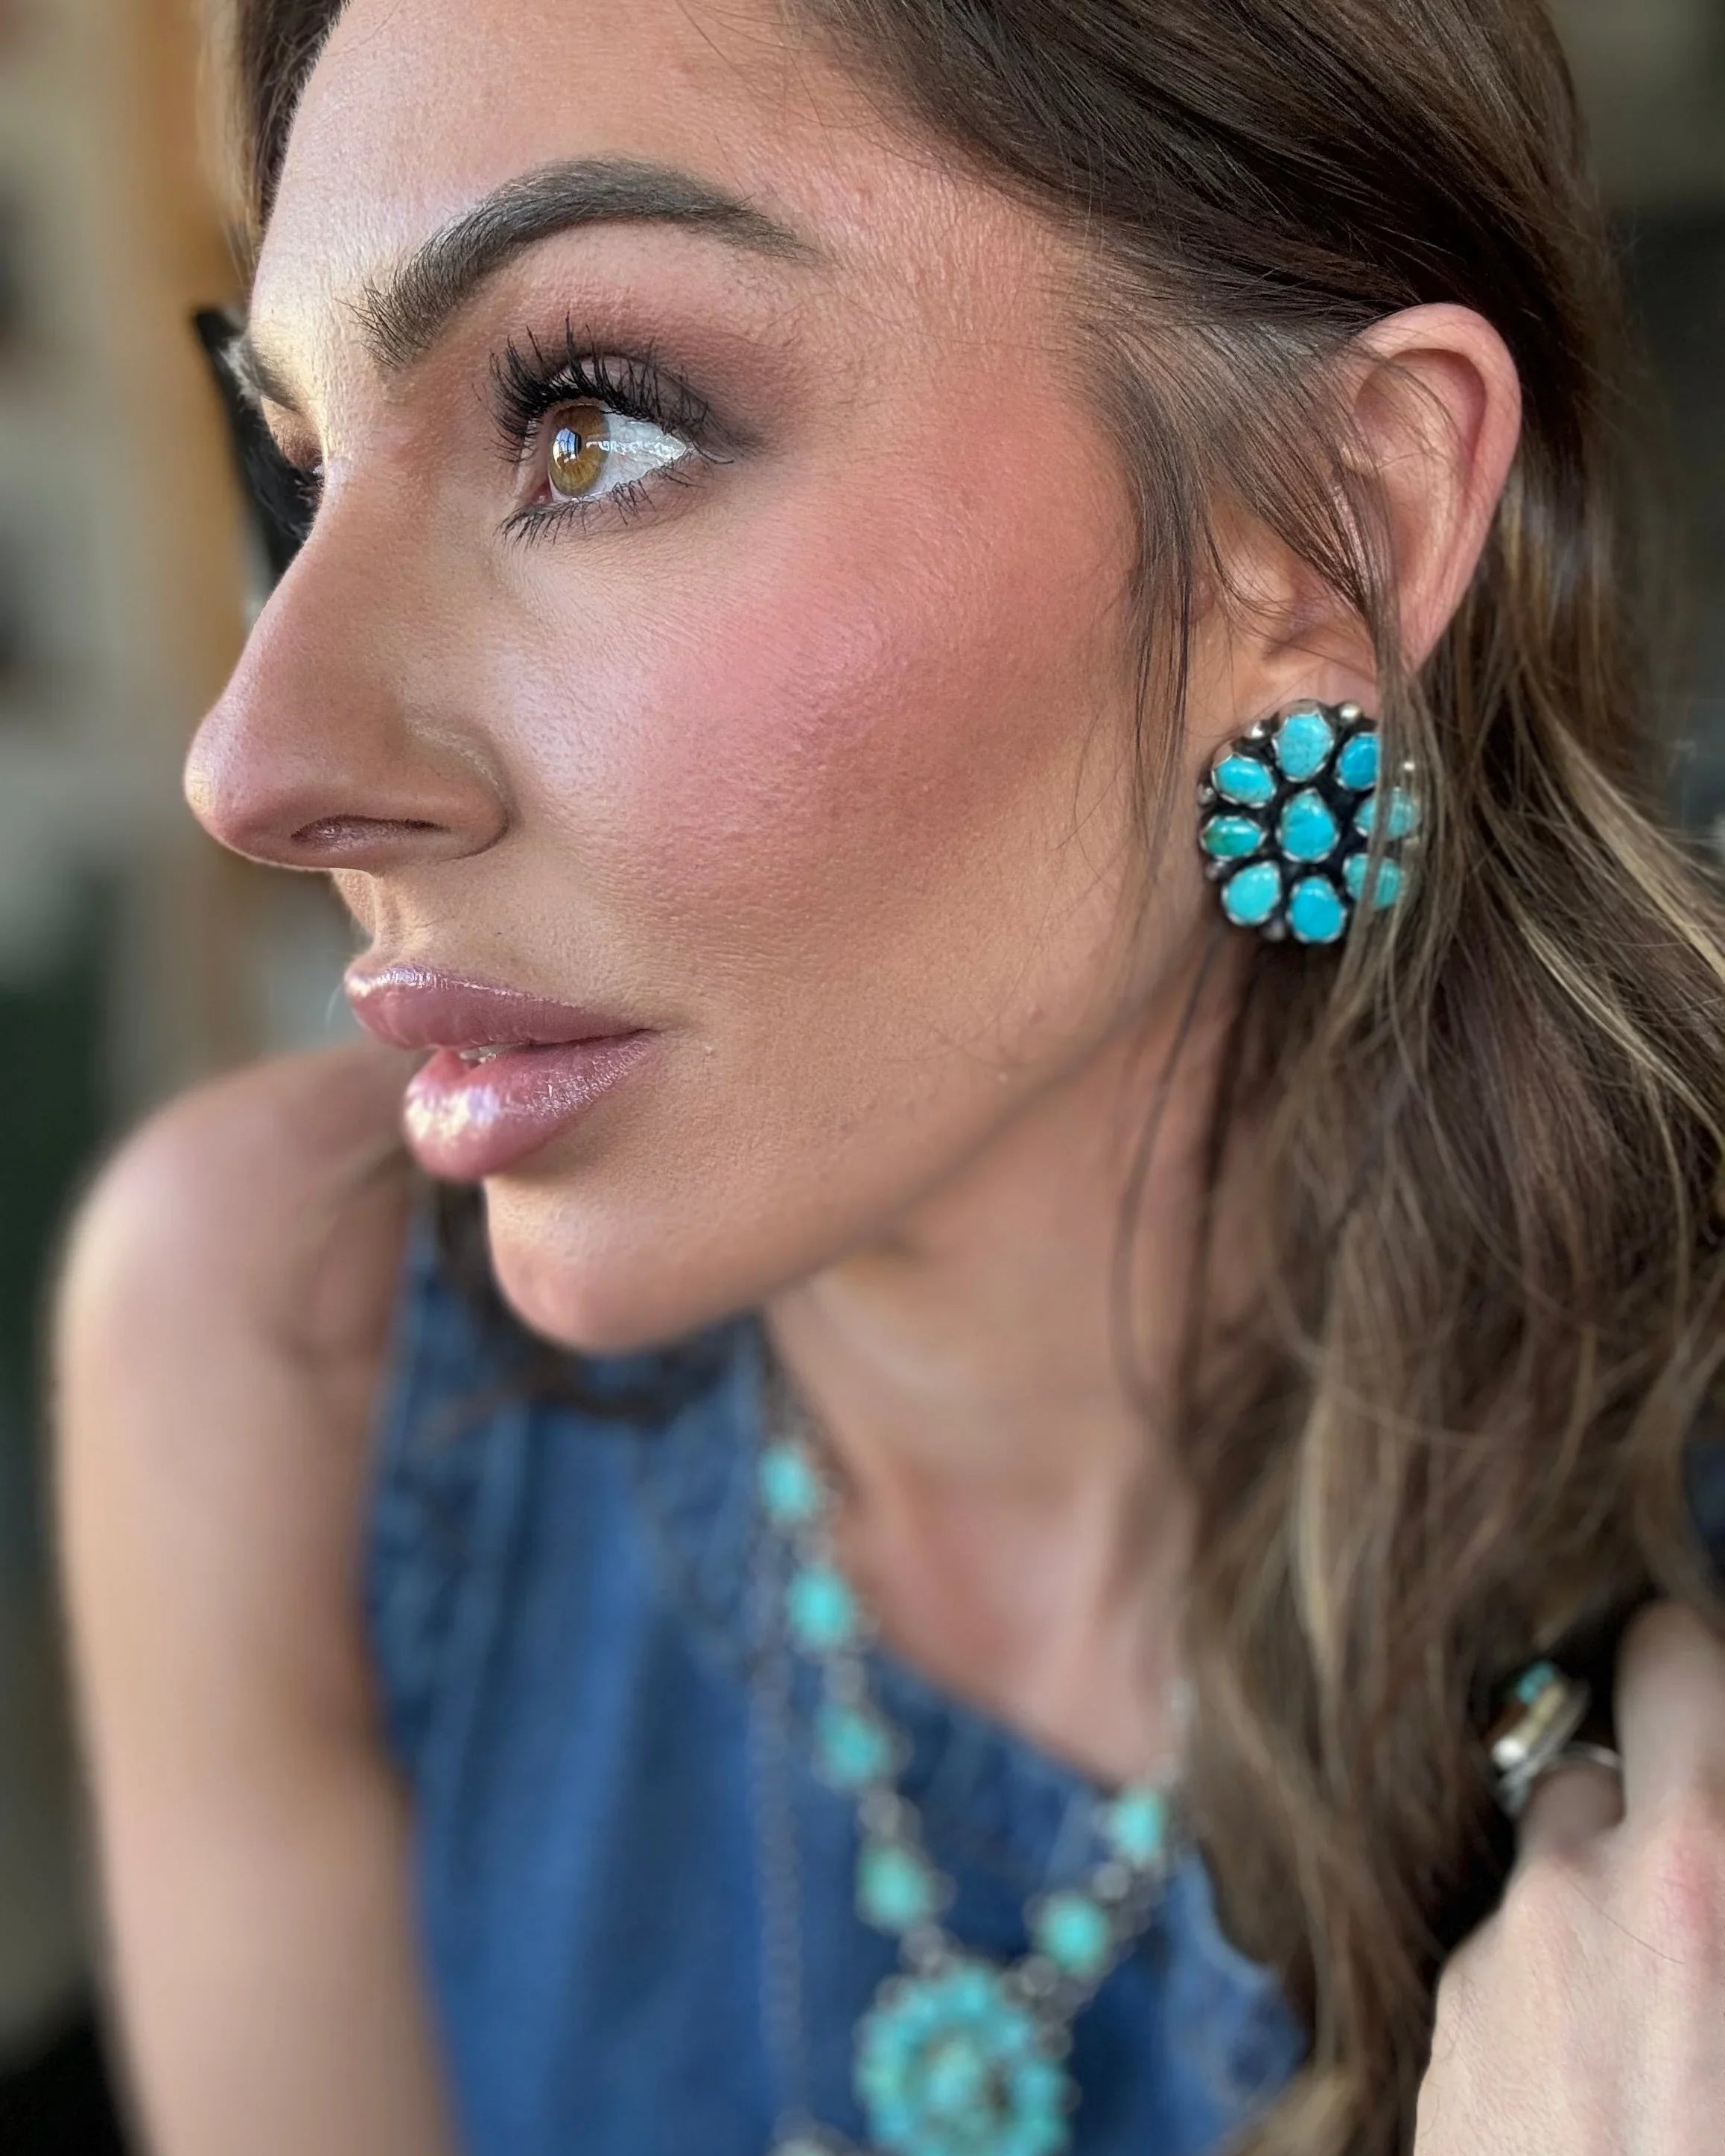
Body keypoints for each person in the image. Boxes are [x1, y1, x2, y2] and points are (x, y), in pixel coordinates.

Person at [50, 0, 1725, 2152]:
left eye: (591, 426)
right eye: (298, 467)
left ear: (1329, 532)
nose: (259, 764)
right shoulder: (266, 1341)